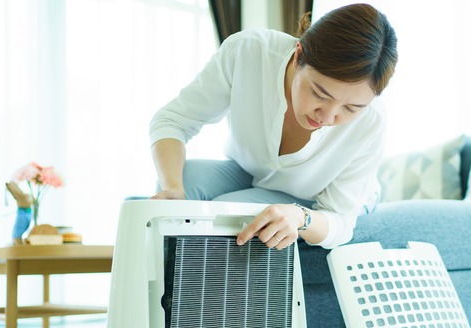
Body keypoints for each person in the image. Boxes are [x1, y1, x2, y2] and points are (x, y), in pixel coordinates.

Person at [149, 3, 398, 251]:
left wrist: (301, 217)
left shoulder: (372, 121)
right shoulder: (249, 52)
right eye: (319, 94)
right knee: (184, 180)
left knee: (231, 212)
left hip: (314, 196)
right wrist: (172, 187)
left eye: (351, 109)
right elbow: (173, 120)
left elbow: (340, 219)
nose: (328, 116)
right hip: (249, 170)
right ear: (298, 55)